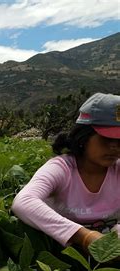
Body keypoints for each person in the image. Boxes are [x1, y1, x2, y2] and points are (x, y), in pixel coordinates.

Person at [12, 93, 120, 253]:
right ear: (84, 137)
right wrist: (84, 236)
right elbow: (23, 202)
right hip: (61, 253)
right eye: (106, 139)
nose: (115, 147)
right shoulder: (62, 168)